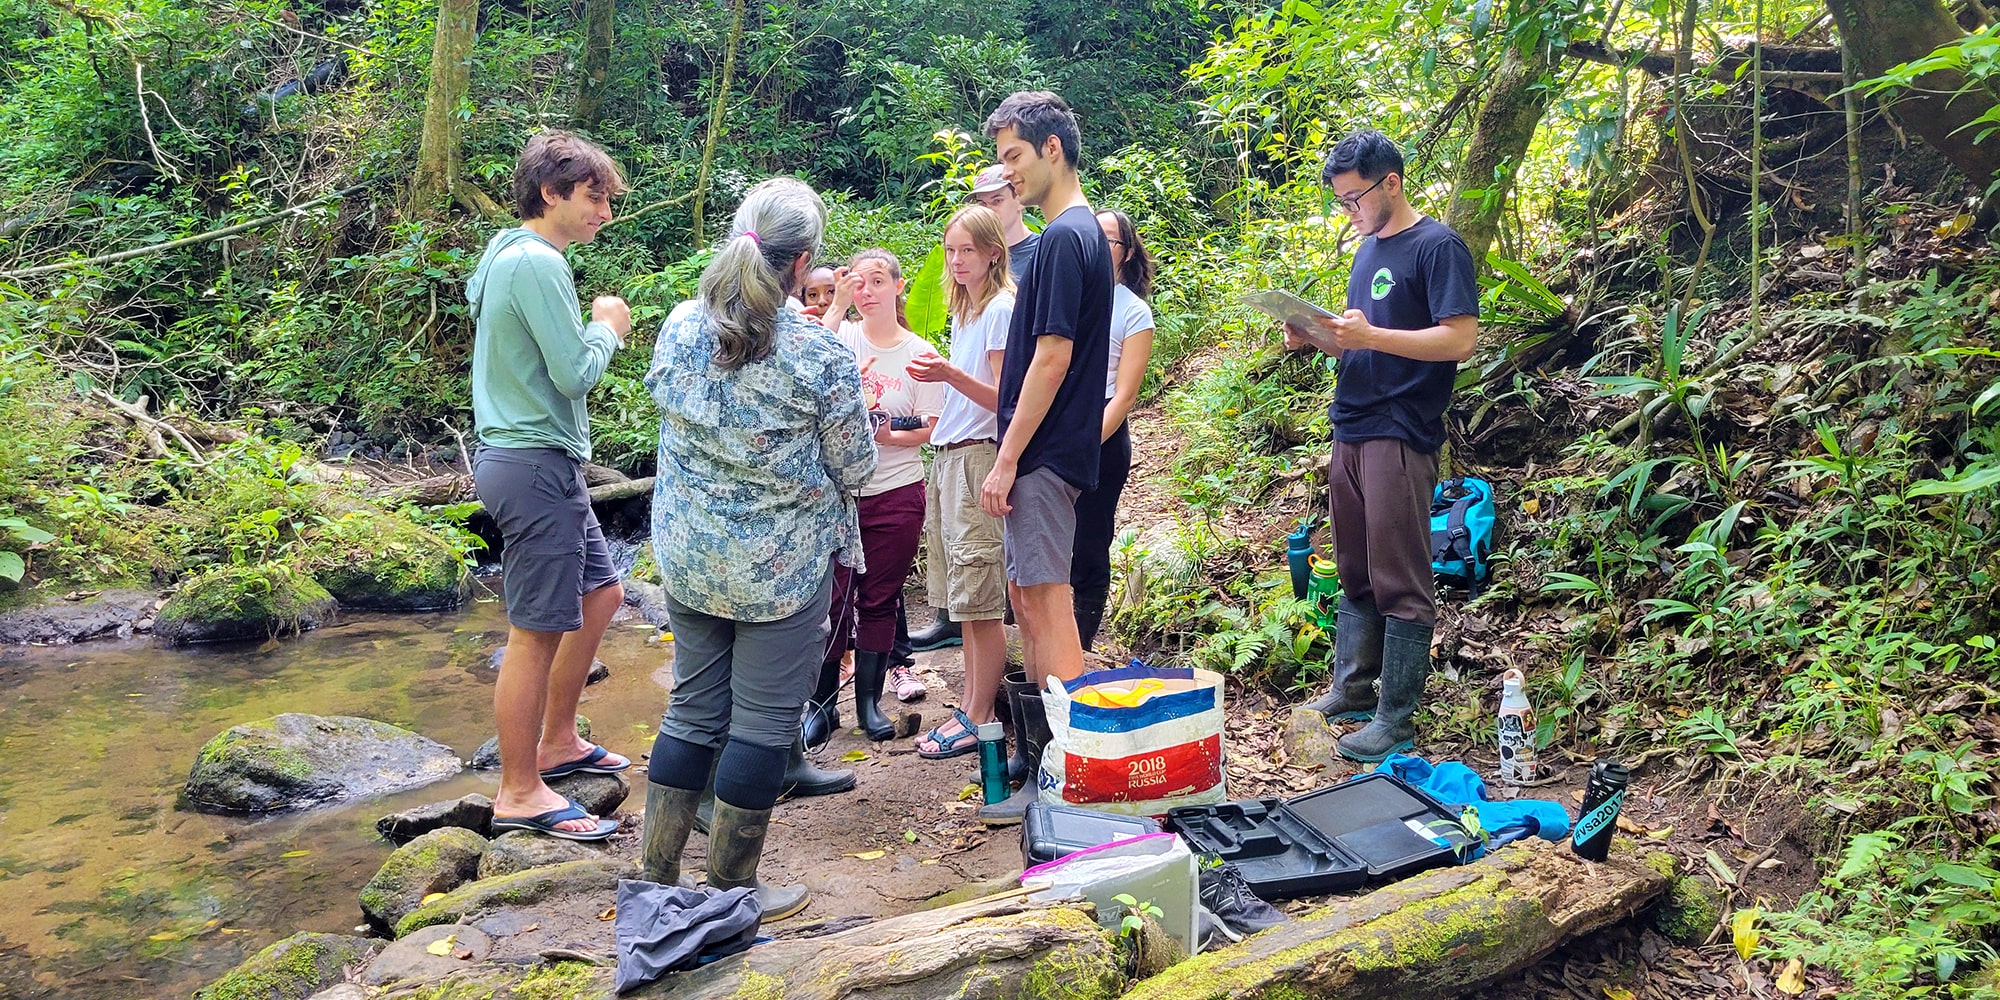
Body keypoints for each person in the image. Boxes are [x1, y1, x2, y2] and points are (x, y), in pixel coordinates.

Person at [640, 177, 877, 920]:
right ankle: (732, 892)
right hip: (777, 570)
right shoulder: (819, 355)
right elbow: (858, 467)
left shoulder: (680, 324)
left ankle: (655, 879)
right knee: (762, 726)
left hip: (686, 556)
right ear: (804, 262)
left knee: (690, 712)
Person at [1287, 129, 1479, 763]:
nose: (1351, 212)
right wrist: (1315, 336)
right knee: (1354, 567)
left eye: (1355, 199)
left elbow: (1457, 340)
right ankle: (1353, 689)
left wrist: (1372, 339)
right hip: (1352, 422)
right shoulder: (1367, 250)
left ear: (1391, 182)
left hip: (1402, 427)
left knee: (1400, 575)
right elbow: (1359, 338)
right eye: (1341, 202)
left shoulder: (1438, 246)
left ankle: (1397, 716)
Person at [468, 130, 633, 842]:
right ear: (550, 192)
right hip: (531, 460)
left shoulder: (506, 252)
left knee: (603, 594)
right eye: (594, 196)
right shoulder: (536, 262)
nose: (604, 211)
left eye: (607, 199)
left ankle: (558, 742)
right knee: (534, 634)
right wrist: (608, 328)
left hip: (534, 460)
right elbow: (575, 373)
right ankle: (519, 790)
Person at [976, 90, 1114, 826]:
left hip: (1045, 453)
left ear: (1052, 148)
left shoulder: (1065, 237)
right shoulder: (1078, 233)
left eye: (1014, 157)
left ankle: (1072, 775)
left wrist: (1007, 458)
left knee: (1049, 606)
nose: (1008, 175)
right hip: (1048, 452)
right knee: (1030, 598)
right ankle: (1047, 766)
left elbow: (1052, 357)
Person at [804, 249, 943, 743]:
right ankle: (821, 705)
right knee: (831, 598)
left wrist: (882, 429)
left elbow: (928, 425)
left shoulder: (918, 353)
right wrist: (836, 305)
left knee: (880, 599)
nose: (867, 290)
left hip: (897, 491)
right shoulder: (837, 336)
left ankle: (868, 704)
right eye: (858, 282)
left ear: (900, 286)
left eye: (878, 280)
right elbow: (806, 369)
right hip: (836, 496)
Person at [906, 205, 1014, 761]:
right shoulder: (966, 311)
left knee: (981, 594)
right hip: (949, 457)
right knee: (961, 600)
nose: (956, 261)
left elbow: (1006, 401)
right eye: (950, 251)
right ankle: (972, 705)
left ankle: (982, 712)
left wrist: (948, 374)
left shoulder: (999, 309)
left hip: (978, 459)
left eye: (967, 250)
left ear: (993, 251)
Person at [1071, 209, 1155, 650]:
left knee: (1089, 538)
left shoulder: (1133, 311)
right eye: (1092, 238)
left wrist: (1084, 444)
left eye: (1110, 241)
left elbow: (1124, 395)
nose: (1100, 248)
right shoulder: (1068, 295)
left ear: (1127, 252)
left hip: (1102, 430)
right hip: (1056, 422)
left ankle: (1081, 645)